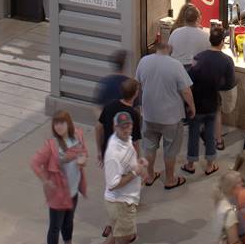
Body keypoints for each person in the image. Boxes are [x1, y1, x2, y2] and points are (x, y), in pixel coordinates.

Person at [29, 110, 89, 244]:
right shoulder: (51, 146)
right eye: (56, 123)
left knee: (68, 222)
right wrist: (45, 180)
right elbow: (34, 163)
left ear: (68, 123)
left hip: (73, 190)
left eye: (62, 123)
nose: (59, 126)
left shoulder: (77, 135)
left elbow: (84, 152)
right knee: (55, 227)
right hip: (58, 195)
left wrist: (83, 159)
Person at [135, 36, 195, 190]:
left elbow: (139, 85)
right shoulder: (175, 65)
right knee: (170, 149)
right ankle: (170, 180)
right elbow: (186, 91)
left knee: (149, 147)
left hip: (149, 115)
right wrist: (192, 107)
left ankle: (149, 176)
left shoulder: (144, 61)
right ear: (169, 48)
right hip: (171, 118)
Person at [95, 111, 146, 244]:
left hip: (121, 202)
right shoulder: (113, 153)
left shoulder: (126, 140)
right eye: (122, 126)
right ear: (115, 127)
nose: (126, 128)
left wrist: (137, 165)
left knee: (113, 237)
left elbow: (130, 163)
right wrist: (135, 173)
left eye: (128, 125)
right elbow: (113, 184)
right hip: (121, 203)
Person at [185, 22, 236, 177]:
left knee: (193, 132)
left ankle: (190, 164)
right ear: (222, 42)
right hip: (213, 102)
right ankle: (209, 165)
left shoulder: (198, 58)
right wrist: (217, 85)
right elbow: (229, 83)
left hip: (197, 101)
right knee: (209, 133)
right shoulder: (227, 61)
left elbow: (189, 80)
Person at [97, 77, 143, 168]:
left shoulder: (109, 106)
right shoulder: (133, 114)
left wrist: (100, 150)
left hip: (108, 152)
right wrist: (137, 161)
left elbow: (98, 127)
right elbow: (135, 142)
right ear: (135, 94)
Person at [93, 50, 130, 155]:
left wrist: (99, 151)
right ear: (124, 65)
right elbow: (136, 111)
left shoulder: (104, 83)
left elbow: (97, 109)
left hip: (108, 136)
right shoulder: (129, 84)